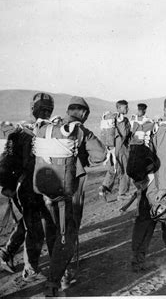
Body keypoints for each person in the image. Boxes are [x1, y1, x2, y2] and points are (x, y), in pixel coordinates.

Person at [36, 96, 106, 296]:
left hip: (46, 187)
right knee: (69, 231)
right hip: (70, 188)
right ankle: (58, 279)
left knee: (53, 230)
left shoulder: (50, 126)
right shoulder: (81, 130)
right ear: (84, 113)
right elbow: (100, 155)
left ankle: (58, 269)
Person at [0, 93, 57, 281]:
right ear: (33, 109)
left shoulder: (49, 130)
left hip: (41, 187)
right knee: (35, 228)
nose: (45, 112)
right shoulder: (22, 132)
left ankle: (5, 254)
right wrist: (7, 185)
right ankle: (29, 270)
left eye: (48, 109)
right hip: (25, 188)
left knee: (32, 224)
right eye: (42, 109)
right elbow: (7, 160)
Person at [131, 95, 166, 272]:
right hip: (160, 183)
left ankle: (137, 261)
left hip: (149, 181)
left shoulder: (159, 126)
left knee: (145, 220)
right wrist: (165, 188)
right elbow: (164, 161)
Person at [99, 100, 131, 202]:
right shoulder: (122, 120)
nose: (127, 109)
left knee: (113, 169)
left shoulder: (111, 120)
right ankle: (122, 193)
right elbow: (125, 134)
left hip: (111, 149)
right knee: (125, 171)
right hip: (121, 148)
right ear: (119, 108)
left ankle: (103, 188)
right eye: (125, 107)